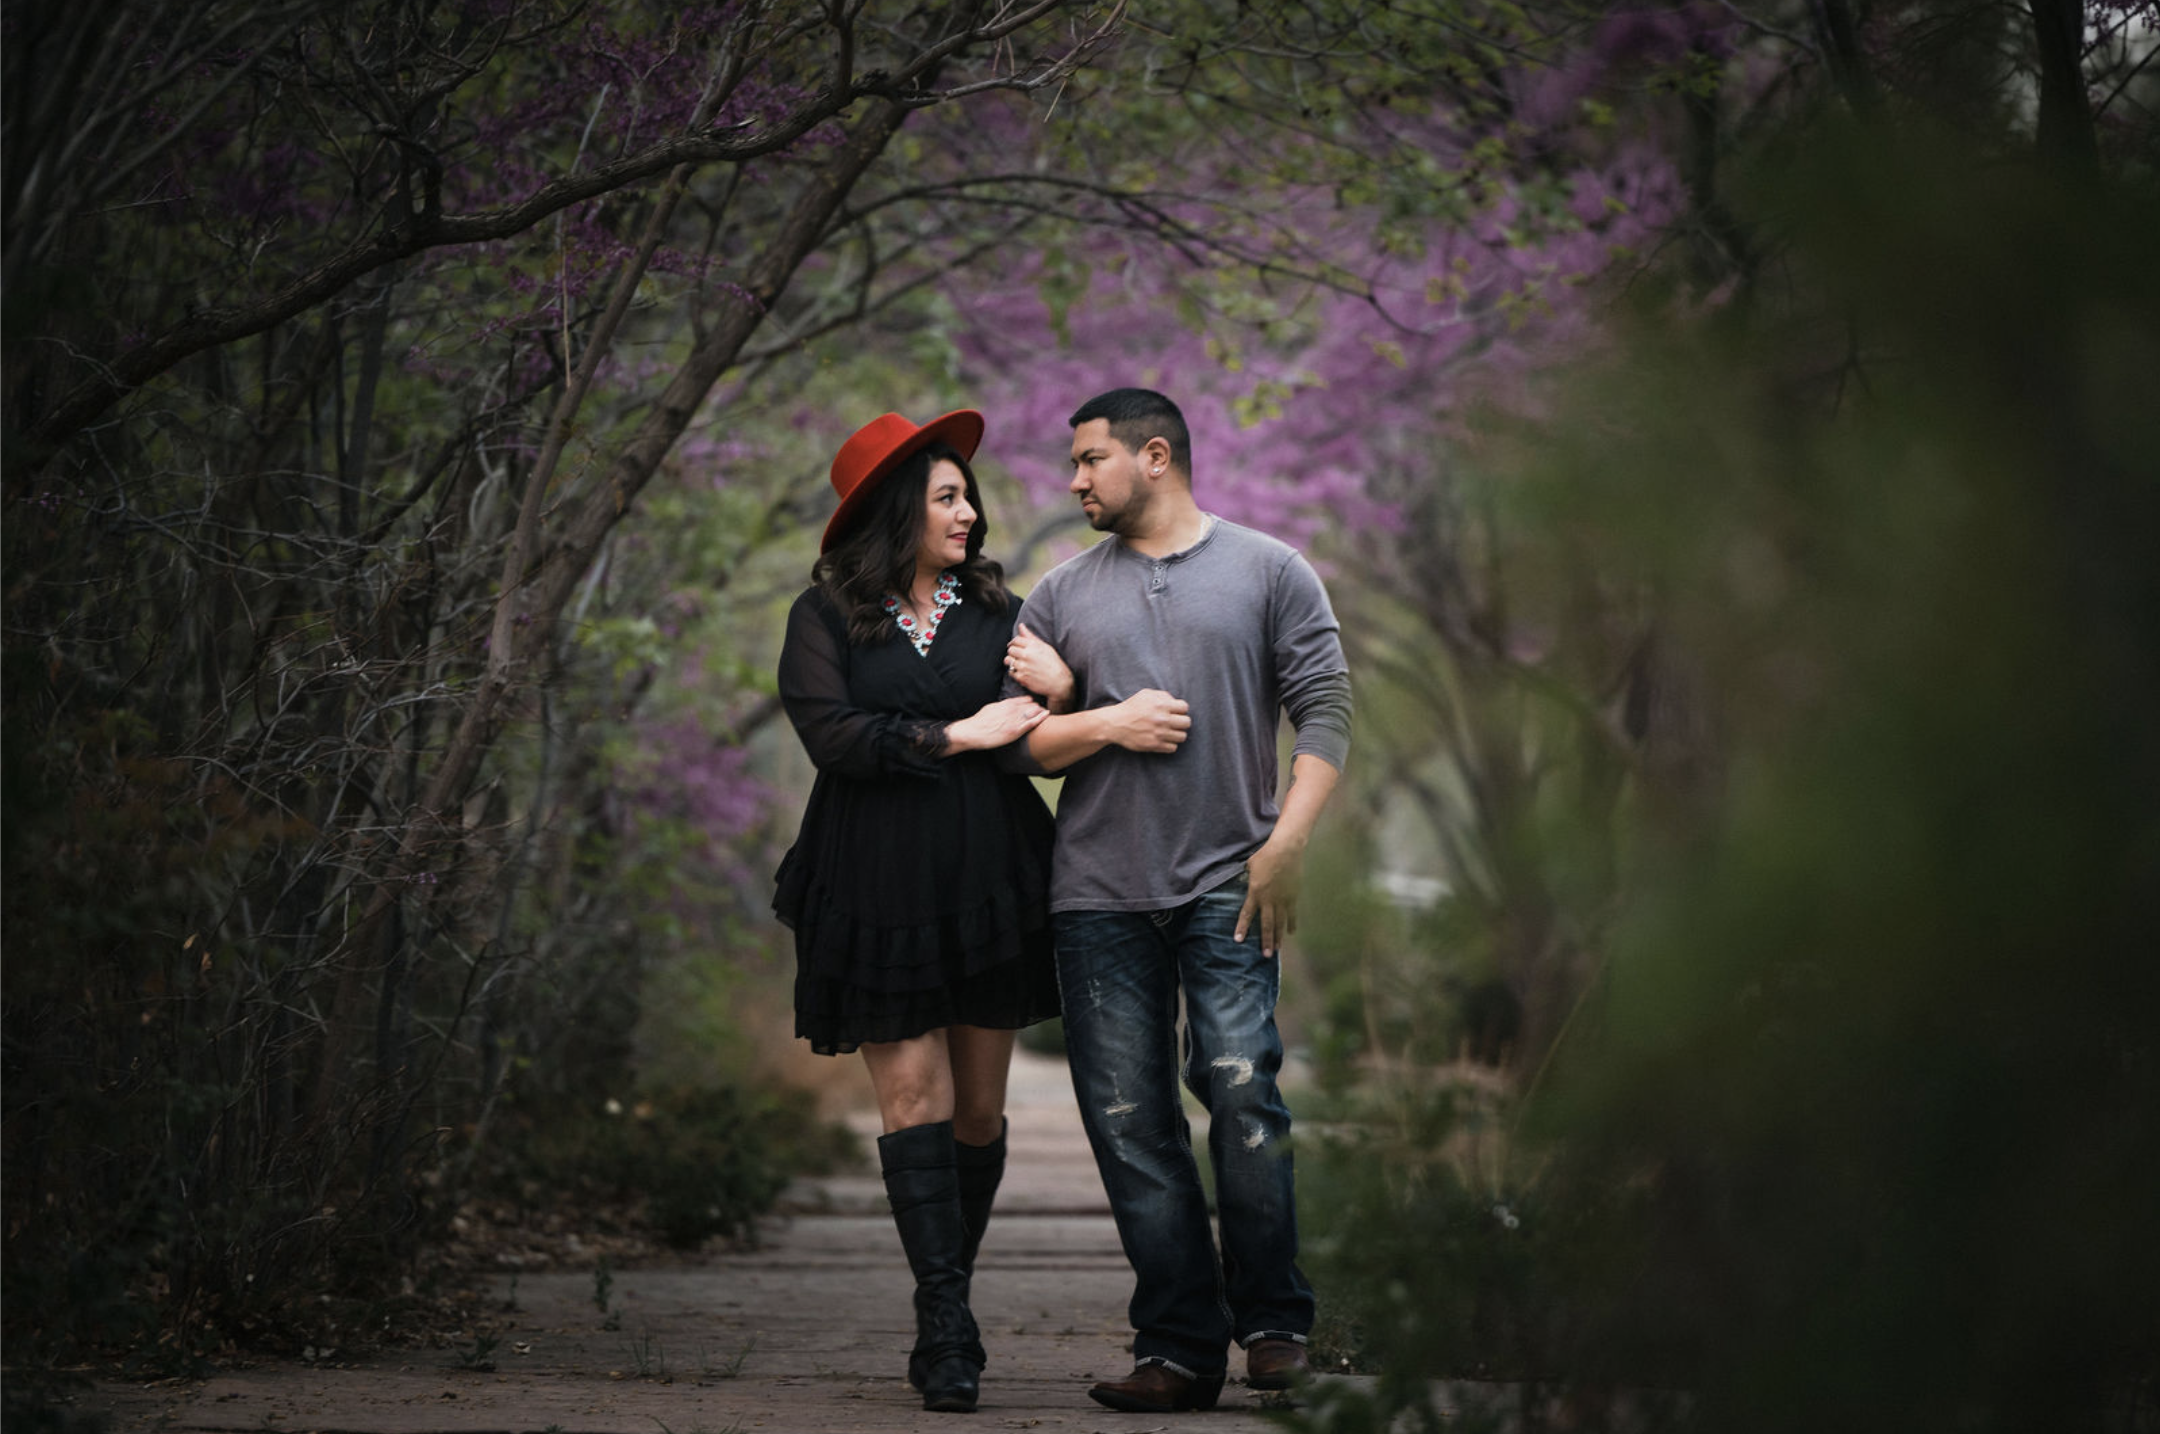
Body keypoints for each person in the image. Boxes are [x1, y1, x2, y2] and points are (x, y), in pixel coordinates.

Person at [998, 388, 1353, 1414]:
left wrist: (1286, 845)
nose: (1074, 481)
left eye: (1089, 459)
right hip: (1097, 895)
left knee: (1242, 1090)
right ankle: (1180, 1348)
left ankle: (1276, 1324)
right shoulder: (1058, 595)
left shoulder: (1270, 570)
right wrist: (1094, 715)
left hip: (1230, 883)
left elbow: (1326, 710)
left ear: (1155, 457)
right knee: (1128, 1119)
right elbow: (1017, 745)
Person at [772, 408, 1064, 1414]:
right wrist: (957, 735)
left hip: (989, 876)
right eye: (947, 496)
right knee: (912, 1104)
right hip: (873, 876)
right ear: (897, 508)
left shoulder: (998, 611)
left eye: (968, 496)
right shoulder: (826, 618)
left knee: (978, 1113)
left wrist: (1060, 693)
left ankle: (950, 1292)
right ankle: (946, 1327)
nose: (969, 513)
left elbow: (1047, 719)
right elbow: (834, 736)